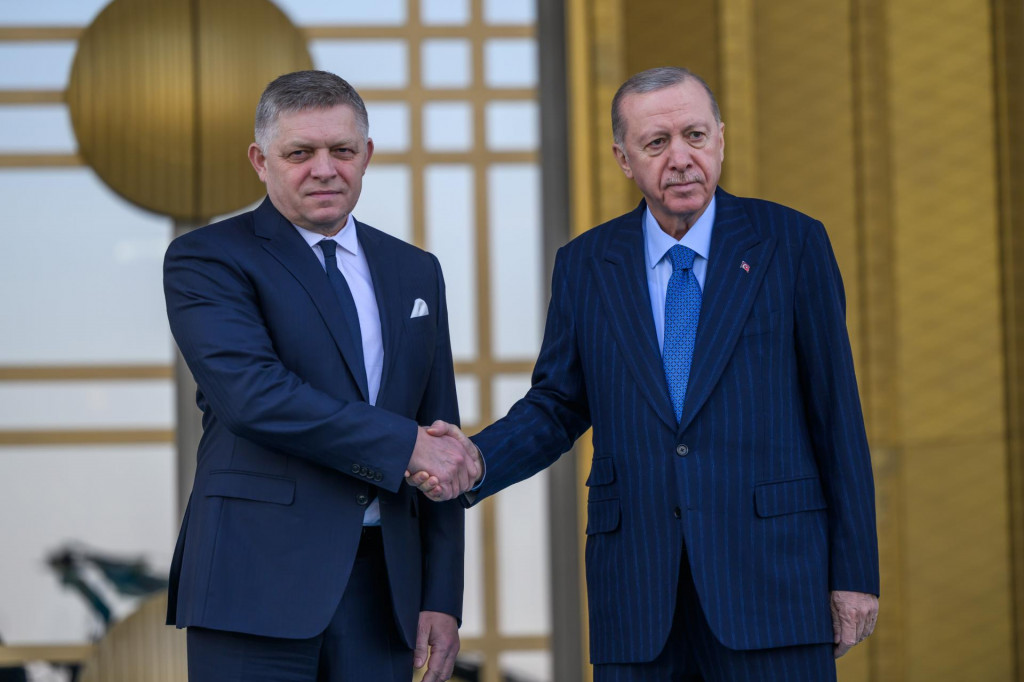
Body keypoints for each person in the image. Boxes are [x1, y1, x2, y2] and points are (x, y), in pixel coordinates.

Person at [414, 66, 879, 680]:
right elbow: (557, 404)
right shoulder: (585, 264)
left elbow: (836, 415)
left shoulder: (791, 244)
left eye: (695, 135)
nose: (681, 158)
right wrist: (475, 459)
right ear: (624, 158)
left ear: (721, 139)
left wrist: (854, 575)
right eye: (657, 144)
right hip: (638, 593)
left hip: (774, 585)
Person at [164, 70, 480, 682]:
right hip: (254, 582)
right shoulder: (207, 258)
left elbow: (440, 427)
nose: (324, 169)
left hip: (383, 588)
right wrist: (405, 445)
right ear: (261, 161)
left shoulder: (416, 271)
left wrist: (442, 594)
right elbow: (254, 397)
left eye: (341, 150)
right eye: (299, 153)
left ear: (367, 155)